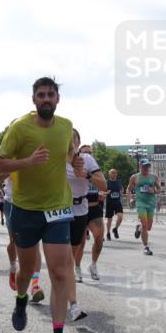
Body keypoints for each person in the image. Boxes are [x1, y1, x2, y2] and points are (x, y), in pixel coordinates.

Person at [0, 77, 81, 333]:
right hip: (25, 208)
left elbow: (68, 154)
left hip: (57, 207)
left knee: (59, 271)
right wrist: (27, 162)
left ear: (57, 99)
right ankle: (20, 300)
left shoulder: (66, 126)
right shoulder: (20, 128)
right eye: (41, 95)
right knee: (28, 269)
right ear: (33, 100)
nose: (46, 99)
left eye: (50, 95)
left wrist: (74, 162)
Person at [66, 131, 106, 317]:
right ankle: (72, 304)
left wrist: (86, 175)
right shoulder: (56, 158)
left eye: (72, 140)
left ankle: (80, 268)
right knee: (62, 258)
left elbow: (104, 185)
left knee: (72, 254)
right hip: (58, 210)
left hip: (81, 209)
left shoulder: (87, 160)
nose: (69, 143)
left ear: (78, 142)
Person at [77, 143, 107, 281]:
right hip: (80, 207)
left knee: (99, 238)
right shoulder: (75, 168)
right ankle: (77, 267)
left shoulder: (94, 168)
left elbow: (102, 184)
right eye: (85, 152)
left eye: (90, 152)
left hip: (95, 207)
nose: (88, 155)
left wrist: (102, 192)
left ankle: (93, 265)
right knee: (80, 242)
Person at [127, 159, 160, 255]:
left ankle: (139, 228)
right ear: (140, 166)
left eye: (148, 166)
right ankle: (146, 247)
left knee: (148, 227)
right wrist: (130, 199)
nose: (146, 168)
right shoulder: (134, 177)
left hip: (151, 203)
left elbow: (159, 189)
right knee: (145, 225)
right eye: (144, 166)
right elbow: (128, 189)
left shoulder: (154, 176)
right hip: (141, 203)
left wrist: (153, 191)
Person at [103, 169, 124, 240]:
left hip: (117, 202)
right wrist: (106, 193)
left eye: (115, 173)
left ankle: (115, 229)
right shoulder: (106, 182)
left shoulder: (119, 182)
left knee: (120, 217)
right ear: (109, 174)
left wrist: (121, 192)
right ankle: (108, 233)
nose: (114, 174)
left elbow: (121, 190)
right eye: (112, 173)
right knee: (109, 219)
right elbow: (102, 192)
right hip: (110, 203)